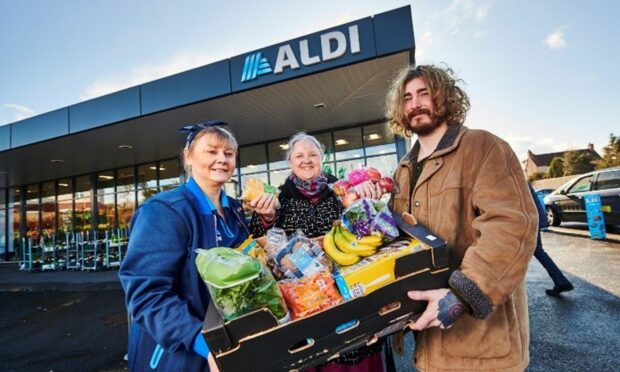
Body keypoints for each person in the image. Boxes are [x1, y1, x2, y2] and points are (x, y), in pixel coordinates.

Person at [385, 64, 538, 371]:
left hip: (482, 349)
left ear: (444, 97)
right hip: (429, 349)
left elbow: (511, 228)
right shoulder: (403, 168)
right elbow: (399, 239)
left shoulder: (483, 147)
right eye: (407, 98)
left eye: (424, 94)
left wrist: (461, 297)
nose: (415, 104)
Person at [119, 121, 250, 372]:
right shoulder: (163, 212)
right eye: (212, 151)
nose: (221, 159)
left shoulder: (236, 210)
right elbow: (147, 294)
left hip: (231, 343)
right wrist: (203, 343)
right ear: (188, 158)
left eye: (229, 153)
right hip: (181, 356)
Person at [249, 131, 384, 371]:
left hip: (346, 291)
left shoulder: (341, 192)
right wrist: (267, 217)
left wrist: (359, 206)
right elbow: (261, 241)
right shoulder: (279, 198)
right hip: (303, 299)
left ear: (322, 158)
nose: (306, 160)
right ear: (290, 161)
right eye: (299, 155)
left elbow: (368, 231)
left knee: (353, 350)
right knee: (311, 355)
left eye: (313, 154)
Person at [528, 184, 574, 296]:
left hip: (526, 222)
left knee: (514, 254)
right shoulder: (519, 177)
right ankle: (561, 281)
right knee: (538, 251)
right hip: (532, 220)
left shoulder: (512, 176)